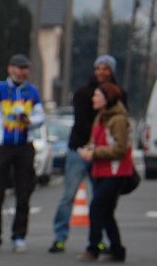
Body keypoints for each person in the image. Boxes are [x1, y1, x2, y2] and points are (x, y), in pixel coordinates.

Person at [49, 55, 126, 253]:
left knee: (100, 199)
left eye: (106, 68)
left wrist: (96, 151)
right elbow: (83, 123)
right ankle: (60, 237)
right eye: (98, 68)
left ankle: (99, 239)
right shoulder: (83, 93)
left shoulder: (118, 95)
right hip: (79, 150)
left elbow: (120, 134)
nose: (101, 72)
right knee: (68, 195)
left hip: (102, 155)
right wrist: (87, 148)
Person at [0, 54, 45, 253]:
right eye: (18, 68)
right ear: (10, 69)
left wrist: (29, 121)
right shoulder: (0, 88)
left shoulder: (32, 92)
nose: (21, 72)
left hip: (24, 145)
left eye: (24, 69)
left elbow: (40, 116)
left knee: (24, 192)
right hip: (2, 145)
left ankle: (19, 236)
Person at [75, 82, 131, 262]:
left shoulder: (118, 120)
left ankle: (93, 248)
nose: (93, 99)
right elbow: (95, 141)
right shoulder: (100, 117)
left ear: (107, 99)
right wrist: (88, 149)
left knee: (96, 207)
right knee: (106, 212)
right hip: (101, 170)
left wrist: (95, 153)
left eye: (97, 95)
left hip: (116, 172)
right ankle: (117, 250)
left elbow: (120, 148)